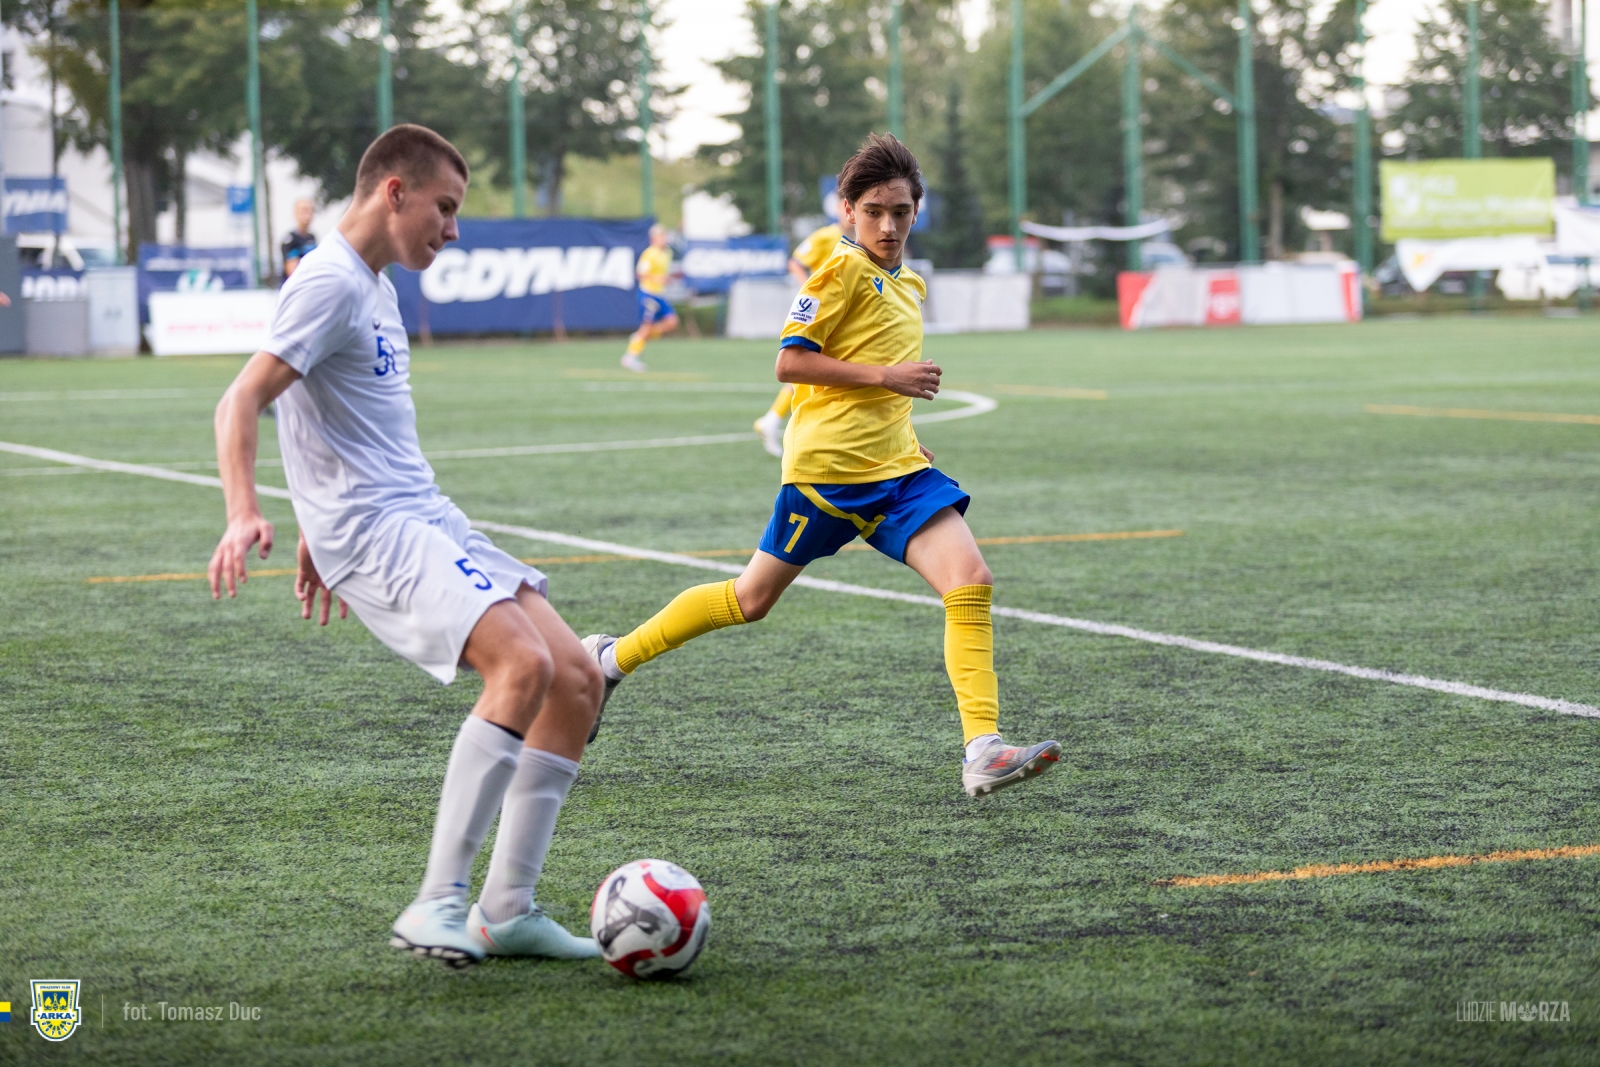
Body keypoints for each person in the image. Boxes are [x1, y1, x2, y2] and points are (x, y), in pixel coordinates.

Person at [208, 124, 604, 968]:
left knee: (575, 679)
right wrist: (247, 512)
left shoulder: (375, 284)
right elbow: (241, 399)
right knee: (522, 664)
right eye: (445, 208)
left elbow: (331, 419)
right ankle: (435, 902)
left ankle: (507, 910)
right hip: (377, 530)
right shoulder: (328, 281)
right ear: (395, 191)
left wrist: (312, 524)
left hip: (421, 513)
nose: (452, 230)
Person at [584, 134, 1061, 799]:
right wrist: (887, 377)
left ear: (916, 210)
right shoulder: (837, 272)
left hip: (897, 472)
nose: (887, 225)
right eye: (873, 211)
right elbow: (791, 362)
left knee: (970, 581)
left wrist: (903, 432)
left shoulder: (910, 282)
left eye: (900, 211)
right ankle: (607, 660)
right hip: (829, 474)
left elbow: (875, 377)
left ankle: (982, 749)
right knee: (750, 599)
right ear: (847, 212)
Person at [754, 201, 856, 457]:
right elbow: (795, 262)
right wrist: (807, 289)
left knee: (822, 369)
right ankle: (780, 422)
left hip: (842, 313)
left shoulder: (860, 240)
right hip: (821, 312)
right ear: (841, 208)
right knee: (814, 367)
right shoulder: (825, 236)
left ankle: (773, 420)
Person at [620, 223, 679, 372]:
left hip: (660, 294)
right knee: (647, 325)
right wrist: (657, 278)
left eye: (664, 236)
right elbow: (640, 274)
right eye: (660, 236)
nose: (663, 239)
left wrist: (668, 278)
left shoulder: (667, 252)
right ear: (653, 239)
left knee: (672, 322)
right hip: (648, 294)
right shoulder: (649, 254)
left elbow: (663, 274)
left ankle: (638, 337)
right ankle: (630, 357)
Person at [281, 198, 318, 278]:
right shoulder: (290, 239)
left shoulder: (312, 237)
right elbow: (292, 271)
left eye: (310, 211)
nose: (307, 215)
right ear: (296, 213)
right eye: (304, 211)